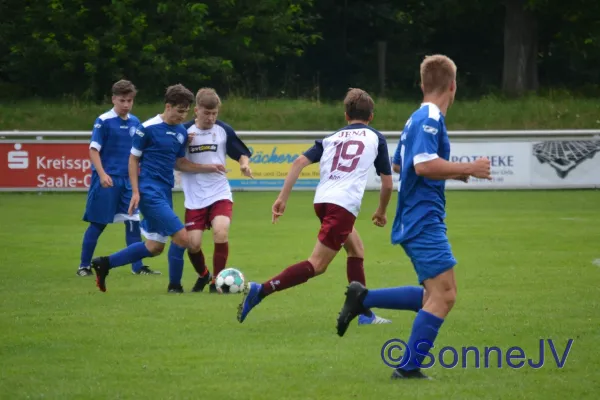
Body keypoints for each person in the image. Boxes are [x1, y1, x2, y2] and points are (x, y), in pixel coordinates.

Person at [335, 55, 492, 380]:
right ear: (453, 86)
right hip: (422, 219)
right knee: (444, 295)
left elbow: (401, 165)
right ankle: (408, 369)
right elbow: (422, 165)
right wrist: (469, 168)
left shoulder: (416, 119)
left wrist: (457, 174)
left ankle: (362, 297)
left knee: (431, 296)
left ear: (422, 84)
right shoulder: (429, 118)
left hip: (418, 217)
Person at [237, 88, 394, 325]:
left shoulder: (331, 138)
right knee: (317, 265)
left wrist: (282, 197)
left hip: (322, 201)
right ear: (371, 117)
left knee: (356, 250)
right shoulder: (375, 137)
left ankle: (362, 313)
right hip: (342, 205)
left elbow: (299, 162)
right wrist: (381, 211)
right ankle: (261, 290)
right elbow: (388, 183)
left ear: (345, 115)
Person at [90, 84, 225, 293]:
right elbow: (133, 159)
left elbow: (179, 163)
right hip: (148, 191)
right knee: (183, 237)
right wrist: (135, 191)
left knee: (154, 247)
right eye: (179, 111)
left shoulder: (181, 132)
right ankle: (175, 286)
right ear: (168, 106)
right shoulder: (147, 128)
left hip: (164, 191)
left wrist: (209, 167)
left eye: (186, 112)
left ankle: (104, 263)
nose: (183, 116)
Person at [170, 88, 253, 292]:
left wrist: (244, 164)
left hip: (219, 193)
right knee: (193, 244)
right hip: (195, 197)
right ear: (196, 110)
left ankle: (217, 280)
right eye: (206, 113)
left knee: (221, 232)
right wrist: (182, 145)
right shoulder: (183, 131)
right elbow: (175, 162)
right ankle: (204, 275)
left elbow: (241, 152)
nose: (211, 117)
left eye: (214, 113)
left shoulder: (223, 130)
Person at [78, 80, 160, 277]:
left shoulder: (135, 122)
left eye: (129, 100)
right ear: (113, 99)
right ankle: (84, 266)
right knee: (98, 224)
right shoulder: (103, 121)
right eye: (122, 100)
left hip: (128, 182)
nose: (126, 104)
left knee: (133, 223)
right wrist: (103, 174)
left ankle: (137, 267)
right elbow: (93, 150)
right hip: (107, 180)